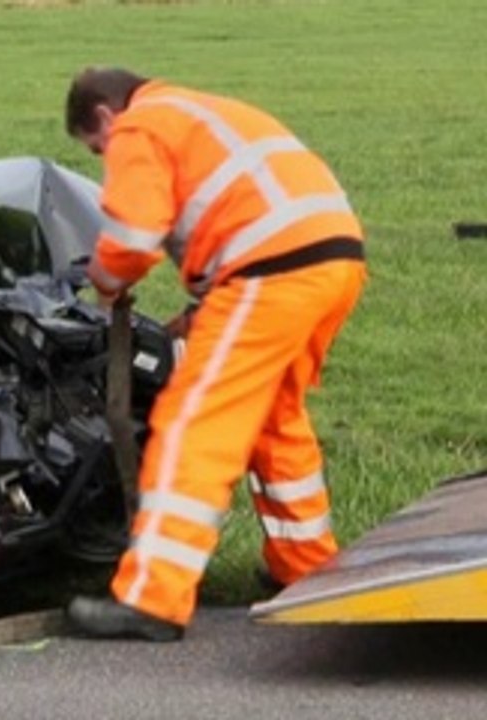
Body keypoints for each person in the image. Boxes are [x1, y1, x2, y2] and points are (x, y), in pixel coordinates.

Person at [64, 67, 366, 641]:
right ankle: (305, 568)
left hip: (270, 271)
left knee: (192, 423)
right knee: (275, 422)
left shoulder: (138, 126)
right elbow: (241, 208)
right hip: (333, 260)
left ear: (104, 116)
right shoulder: (201, 110)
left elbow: (131, 241)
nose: (106, 157)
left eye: (96, 149)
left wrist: (103, 284)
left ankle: (153, 598)